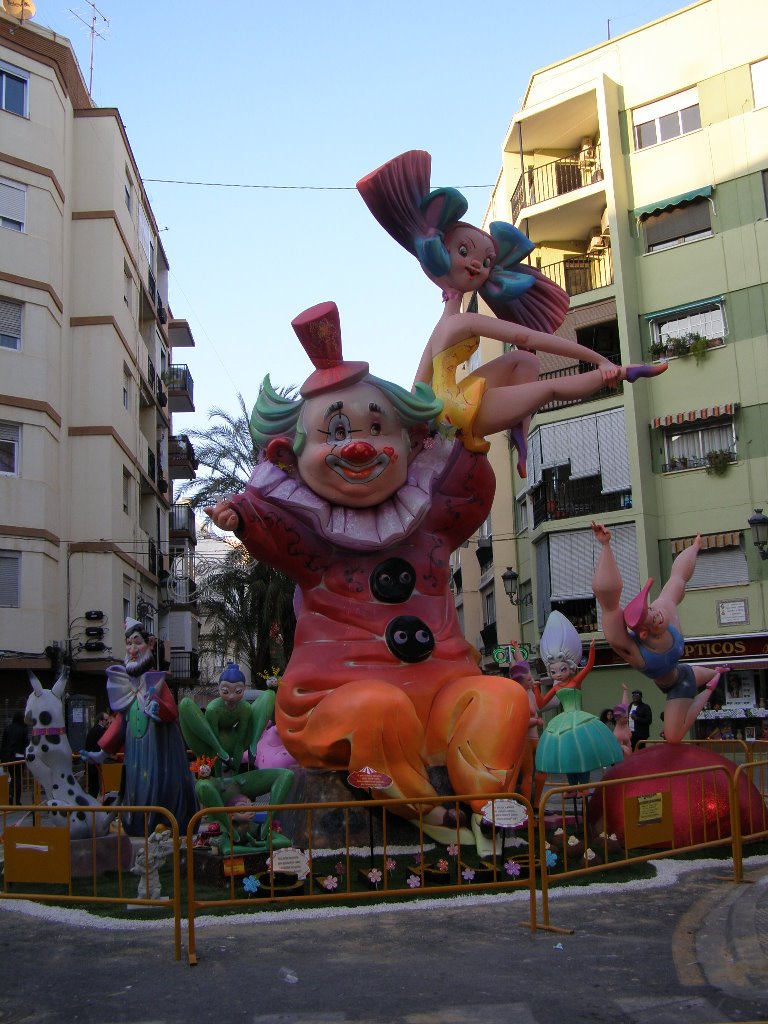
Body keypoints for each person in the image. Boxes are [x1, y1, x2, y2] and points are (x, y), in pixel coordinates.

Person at [206, 300, 531, 848]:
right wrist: (239, 516)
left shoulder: (430, 520)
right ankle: (424, 813)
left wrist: (468, 435)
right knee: (374, 709)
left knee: (502, 699)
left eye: (378, 428)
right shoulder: (309, 540)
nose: (359, 445)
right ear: (293, 454)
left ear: (411, 442)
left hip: (442, 695)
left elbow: (470, 490)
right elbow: (266, 526)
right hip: (333, 697)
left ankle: (492, 810)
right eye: (335, 432)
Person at [357, 150, 666, 474]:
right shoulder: (464, 322)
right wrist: (601, 361)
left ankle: (519, 428)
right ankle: (624, 373)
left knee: (526, 361)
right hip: (455, 410)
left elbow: (418, 386)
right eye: (464, 251)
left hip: (443, 406)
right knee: (548, 387)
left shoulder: (444, 325)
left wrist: (414, 427)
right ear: (440, 252)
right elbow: (534, 337)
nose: (477, 264)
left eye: (487, 261)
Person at [591, 522, 729, 744]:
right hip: (678, 676)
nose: (657, 613)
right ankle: (712, 679)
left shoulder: (666, 609)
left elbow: (678, 577)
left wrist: (694, 548)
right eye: (651, 617)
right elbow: (608, 602)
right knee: (674, 734)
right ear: (644, 633)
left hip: (680, 681)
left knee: (673, 737)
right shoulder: (635, 650)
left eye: (652, 609)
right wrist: (606, 545)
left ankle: (713, 678)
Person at [82, 618, 197, 835]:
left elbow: (171, 711)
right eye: (128, 644)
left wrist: (158, 709)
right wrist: (103, 752)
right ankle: (137, 825)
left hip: (158, 752)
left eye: (137, 643)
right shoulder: (129, 687)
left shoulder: (156, 680)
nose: (132, 650)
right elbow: (120, 722)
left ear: (150, 644)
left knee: (159, 786)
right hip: (135, 754)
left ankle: (164, 821)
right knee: (135, 787)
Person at [179, 662, 294, 854]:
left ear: (243, 689)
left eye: (238, 691)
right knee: (203, 786)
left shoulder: (245, 710)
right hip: (219, 781)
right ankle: (231, 831)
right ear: (219, 689)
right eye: (226, 691)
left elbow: (241, 742)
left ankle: (266, 827)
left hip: (240, 780)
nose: (232, 697)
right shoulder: (214, 709)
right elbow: (213, 743)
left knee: (287, 775)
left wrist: (251, 748)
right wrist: (217, 768)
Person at [534, 611, 623, 785]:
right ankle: (573, 787)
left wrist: (591, 649)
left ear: (570, 667)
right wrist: (536, 688)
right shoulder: (557, 687)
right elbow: (541, 703)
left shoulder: (575, 681)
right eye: (553, 672)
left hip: (579, 718)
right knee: (569, 755)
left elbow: (588, 666)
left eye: (562, 670)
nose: (558, 674)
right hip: (563, 721)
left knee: (583, 752)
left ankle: (582, 787)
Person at [508, 644, 545, 811]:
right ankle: (527, 807)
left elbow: (523, 664)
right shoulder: (519, 695)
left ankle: (536, 803)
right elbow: (521, 720)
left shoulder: (528, 691)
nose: (533, 681)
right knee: (528, 775)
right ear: (521, 682)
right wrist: (535, 722)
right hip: (526, 741)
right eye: (529, 680)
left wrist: (516, 648)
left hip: (535, 738)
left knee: (542, 771)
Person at [0, 711, 29, 805]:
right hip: (19, 757)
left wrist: (2, 758)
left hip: (8, 758)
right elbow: (26, 743)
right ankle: (17, 800)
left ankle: (10, 796)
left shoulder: (7, 728)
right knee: (18, 778)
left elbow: (3, 744)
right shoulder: (23, 729)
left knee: (12, 777)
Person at [83, 712, 110, 797]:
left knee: (93, 786)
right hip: (96, 763)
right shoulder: (101, 731)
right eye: (106, 720)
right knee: (96, 786)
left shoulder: (92, 730)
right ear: (100, 721)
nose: (108, 723)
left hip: (90, 761)